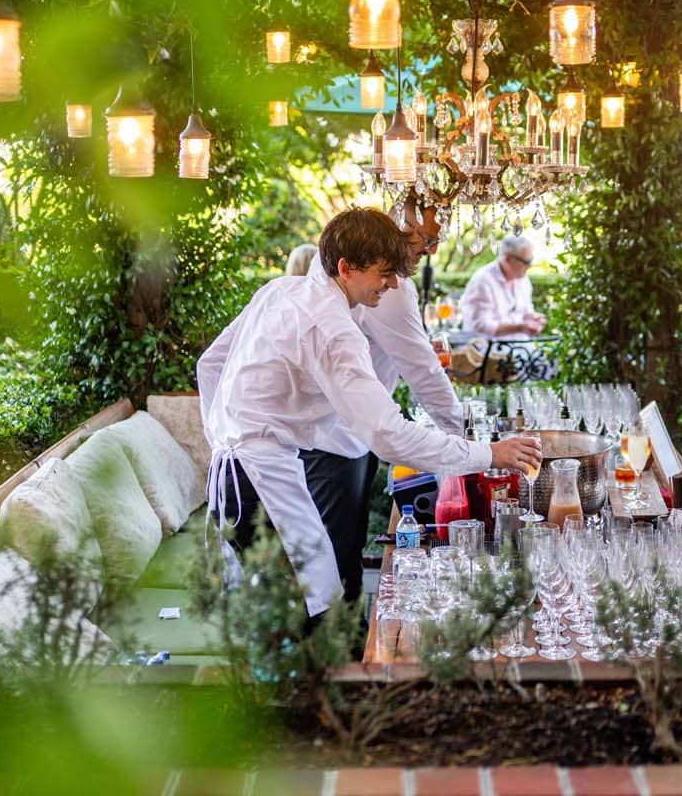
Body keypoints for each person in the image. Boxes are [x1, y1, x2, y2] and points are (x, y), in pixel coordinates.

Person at [196, 207, 542, 618]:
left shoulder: (280, 290)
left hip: (245, 476)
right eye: (384, 273)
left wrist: (225, 439)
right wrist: (489, 454)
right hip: (259, 483)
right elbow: (388, 435)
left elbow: (209, 364)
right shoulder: (335, 330)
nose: (393, 283)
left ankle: (325, 674)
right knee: (307, 612)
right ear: (346, 268)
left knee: (312, 600)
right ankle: (324, 680)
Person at [298, 191, 467, 603]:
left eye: (435, 240)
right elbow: (423, 370)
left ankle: (351, 641)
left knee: (347, 545)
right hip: (331, 438)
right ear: (398, 225)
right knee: (333, 556)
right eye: (422, 239)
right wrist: (462, 438)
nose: (430, 250)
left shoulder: (383, 281)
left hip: (349, 432)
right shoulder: (390, 289)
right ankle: (340, 654)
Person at [459, 235, 546, 338]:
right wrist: (519, 328)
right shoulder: (483, 280)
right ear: (507, 259)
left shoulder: (523, 279)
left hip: (520, 347)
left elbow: (525, 312)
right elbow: (480, 325)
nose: (530, 266)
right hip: (487, 350)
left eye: (531, 261)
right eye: (526, 262)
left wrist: (533, 318)